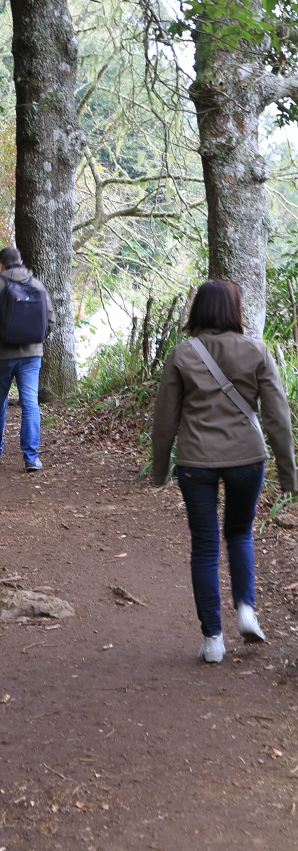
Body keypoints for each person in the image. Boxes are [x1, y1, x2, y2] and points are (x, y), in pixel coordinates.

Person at [152, 279, 297, 663]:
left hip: (196, 461)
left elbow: (165, 419)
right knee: (239, 533)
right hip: (247, 459)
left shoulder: (182, 354)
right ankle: (246, 610)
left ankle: (213, 639)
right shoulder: (256, 351)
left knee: (204, 546)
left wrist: (160, 468)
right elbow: (277, 417)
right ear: (235, 311)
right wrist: (288, 474)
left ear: (198, 310)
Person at [0, 246, 55, 471]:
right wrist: (35, 339)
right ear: (21, 261)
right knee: (30, 403)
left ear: (1, 264)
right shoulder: (37, 284)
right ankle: (31, 458)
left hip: (2, 355)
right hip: (32, 355)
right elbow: (50, 321)